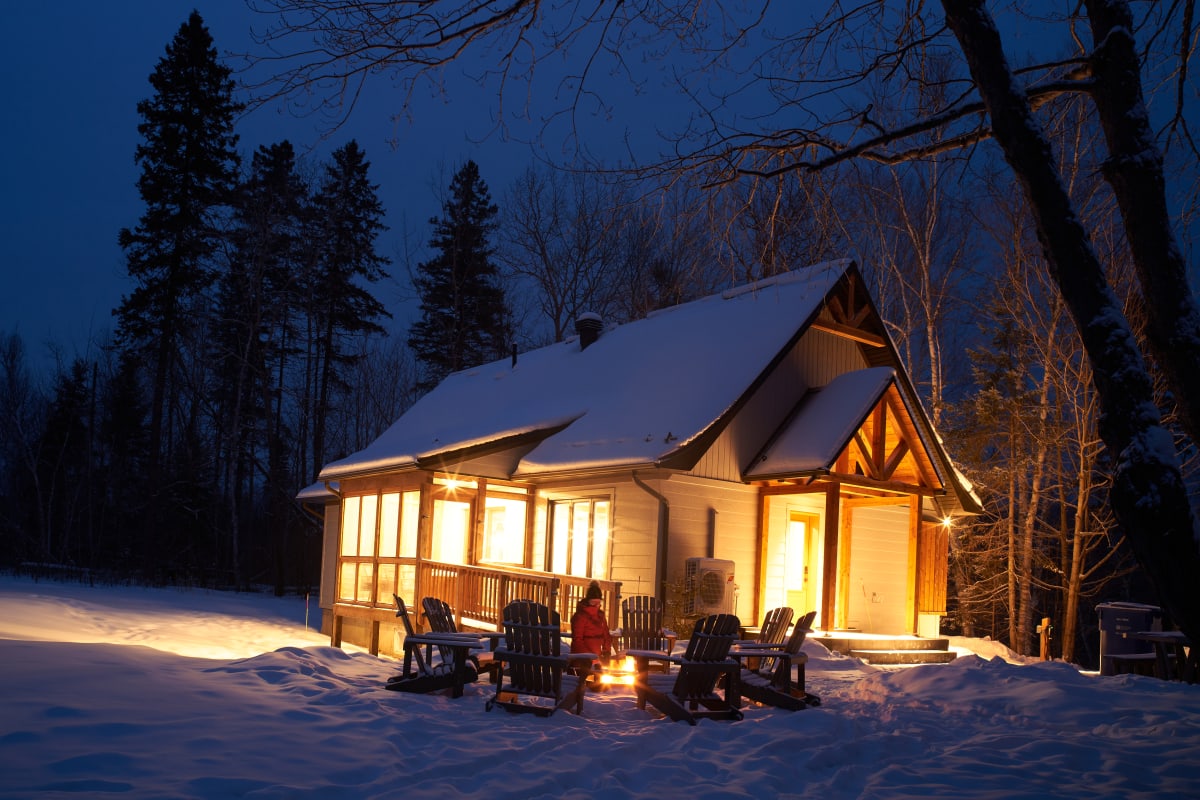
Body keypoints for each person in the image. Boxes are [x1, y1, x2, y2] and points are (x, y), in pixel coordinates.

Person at [570, 581, 613, 664]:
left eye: (598, 603)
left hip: (597, 658)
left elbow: (606, 636)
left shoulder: (601, 616)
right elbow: (577, 640)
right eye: (593, 602)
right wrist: (589, 657)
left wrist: (607, 652)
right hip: (582, 658)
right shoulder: (580, 616)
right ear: (588, 601)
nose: (596, 605)